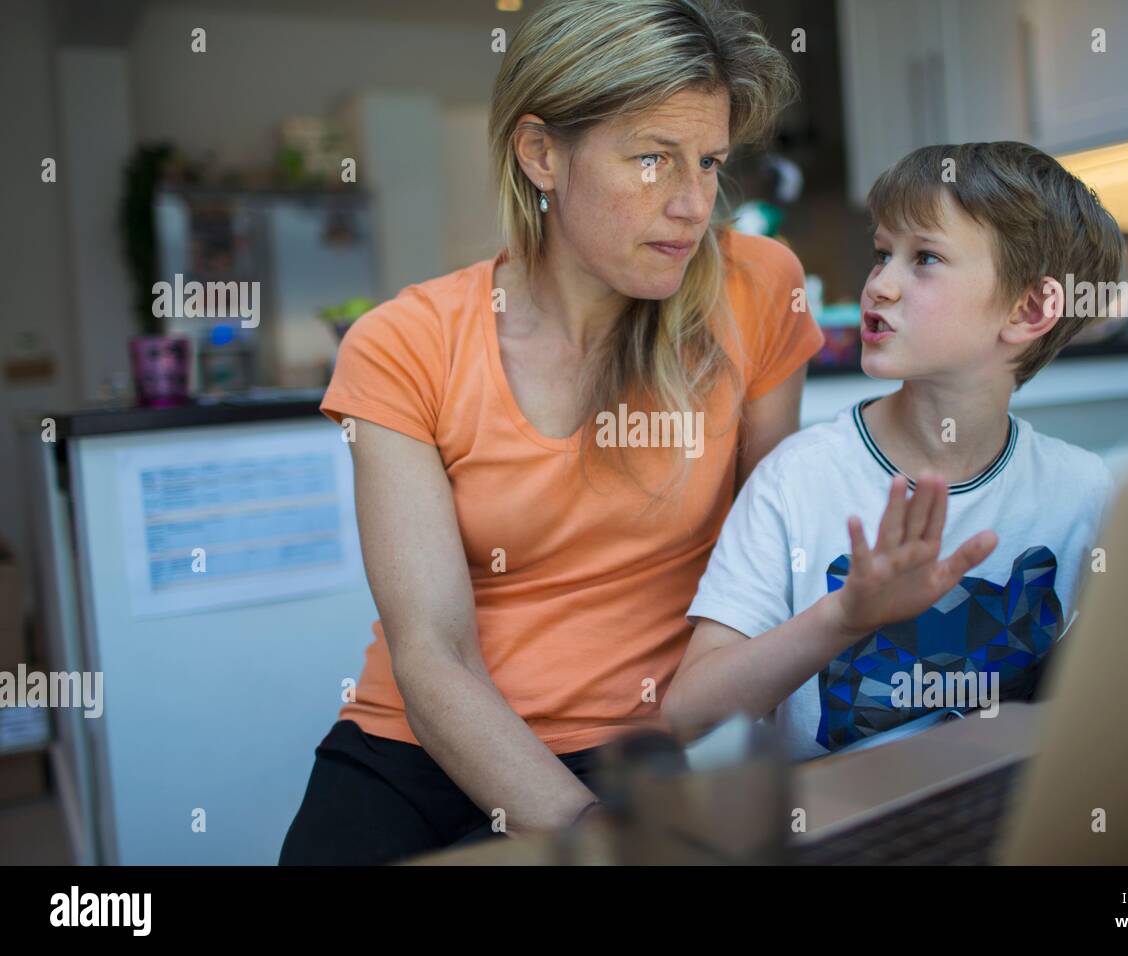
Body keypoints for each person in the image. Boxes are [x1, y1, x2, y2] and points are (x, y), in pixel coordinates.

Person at [279, 0, 823, 864]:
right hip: (422, 746)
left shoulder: (759, 288)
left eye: (710, 162)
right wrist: (591, 838)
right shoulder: (403, 344)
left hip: (645, 745)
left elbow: (769, 563)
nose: (694, 204)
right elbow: (433, 655)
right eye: (652, 160)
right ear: (541, 153)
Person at [663, 142, 1123, 762]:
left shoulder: (1085, 492)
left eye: (924, 258)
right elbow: (688, 714)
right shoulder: (797, 480)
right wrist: (844, 617)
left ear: (1031, 308)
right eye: (883, 255)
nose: (879, 285)